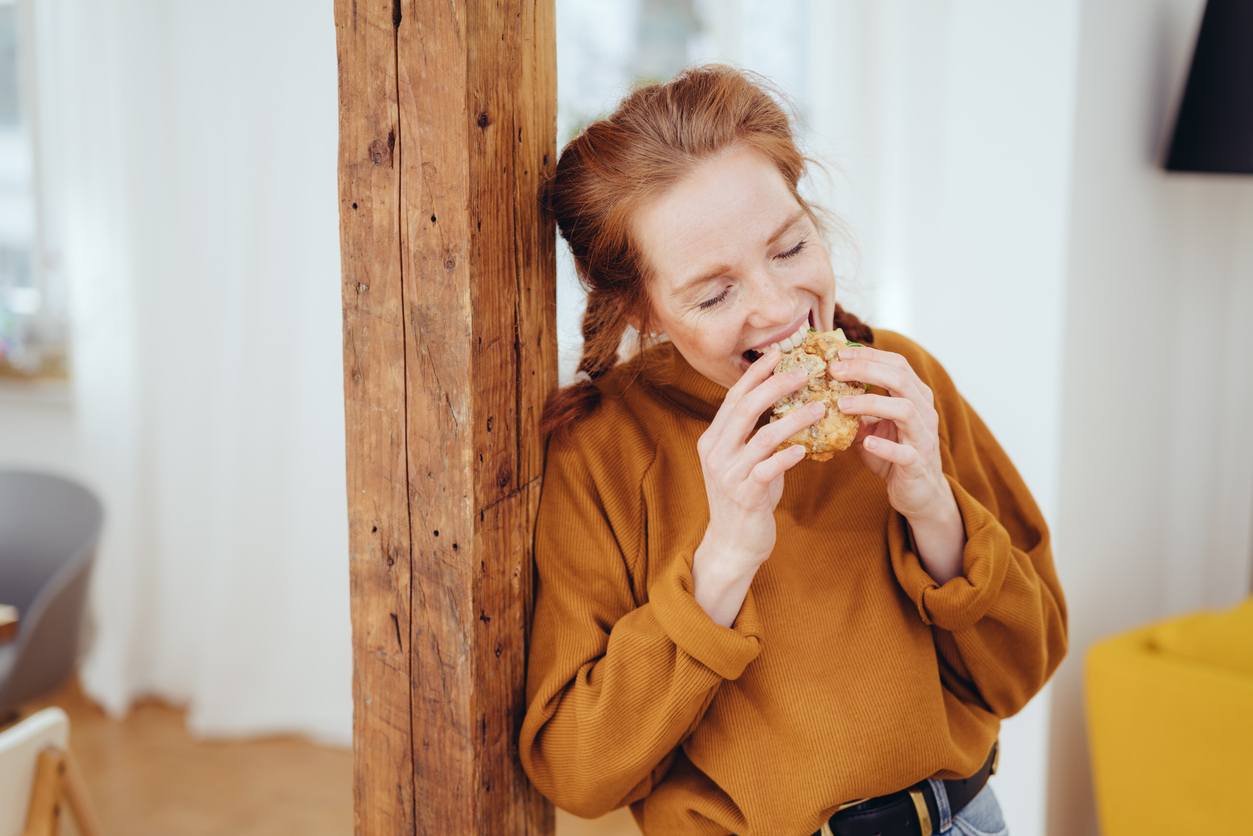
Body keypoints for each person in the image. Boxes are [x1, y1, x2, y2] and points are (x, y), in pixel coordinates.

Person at [518, 65, 1067, 836]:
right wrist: (724, 559)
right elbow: (578, 773)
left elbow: (1020, 673)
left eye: (788, 248)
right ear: (639, 307)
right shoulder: (603, 450)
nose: (777, 311)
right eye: (713, 295)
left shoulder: (902, 380)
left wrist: (932, 510)